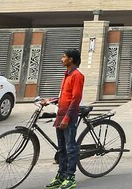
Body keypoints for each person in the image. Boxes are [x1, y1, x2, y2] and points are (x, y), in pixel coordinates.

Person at [45, 48, 84, 189]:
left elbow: (76, 98)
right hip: (60, 114)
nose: (62, 59)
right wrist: (49, 101)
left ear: (71, 59)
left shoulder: (77, 75)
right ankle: (61, 175)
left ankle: (70, 177)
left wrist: (67, 117)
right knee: (61, 148)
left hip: (69, 116)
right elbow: (64, 96)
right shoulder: (66, 74)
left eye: (64, 57)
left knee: (70, 147)